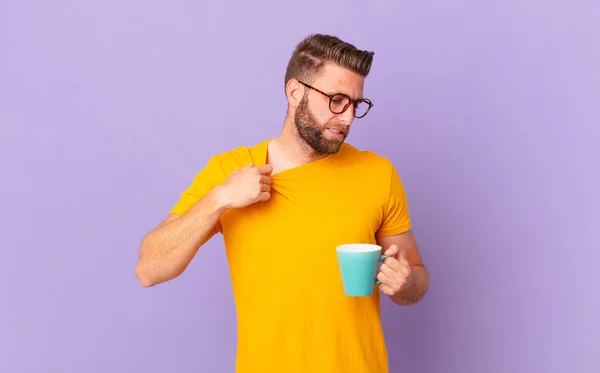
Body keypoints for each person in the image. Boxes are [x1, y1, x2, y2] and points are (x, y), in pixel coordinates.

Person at [135, 33, 430, 373]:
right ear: (295, 92)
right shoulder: (230, 172)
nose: (347, 118)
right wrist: (219, 199)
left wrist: (405, 284)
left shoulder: (378, 174)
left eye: (356, 104)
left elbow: (417, 278)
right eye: (336, 100)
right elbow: (150, 269)